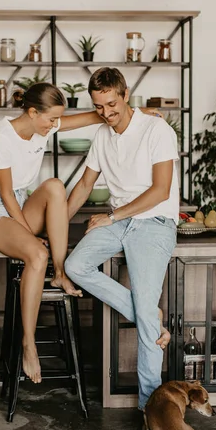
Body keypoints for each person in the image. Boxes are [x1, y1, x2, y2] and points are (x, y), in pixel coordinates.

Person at [0, 81, 167, 387]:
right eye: (51, 120)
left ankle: (61, 272)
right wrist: (30, 236)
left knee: (54, 185)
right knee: (37, 254)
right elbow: (6, 196)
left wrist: (138, 114)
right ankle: (29, 343)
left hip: (21, 205)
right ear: (33, 112)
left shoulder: (42, 126)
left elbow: (93, 116)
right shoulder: (1, 138)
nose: (54, 126)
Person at [65, 67, 179, 411]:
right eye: (99, 107)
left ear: (126, 94)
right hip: (119, 221)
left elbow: (160, 190)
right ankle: (149, 315)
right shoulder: (102, 135)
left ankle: (151, 409)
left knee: (144, 313)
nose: (106, 113)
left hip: (154, 222)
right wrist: (56, 225)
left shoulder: (156, 129)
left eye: (111, 104)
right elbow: (84, 185)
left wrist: (112, 215)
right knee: (75, 264)